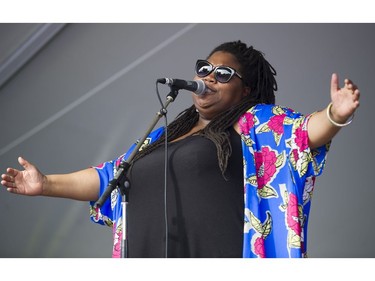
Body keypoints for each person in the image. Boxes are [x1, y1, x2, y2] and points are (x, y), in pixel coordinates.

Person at [1, 40, 360, 258]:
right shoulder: (163, 138)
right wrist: (45, 184)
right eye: (205, 69)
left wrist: (335, 113)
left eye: (223, 74)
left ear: (246, 89)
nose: (208, 77)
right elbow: (110, 176)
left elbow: (303, 133)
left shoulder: (255, 122)